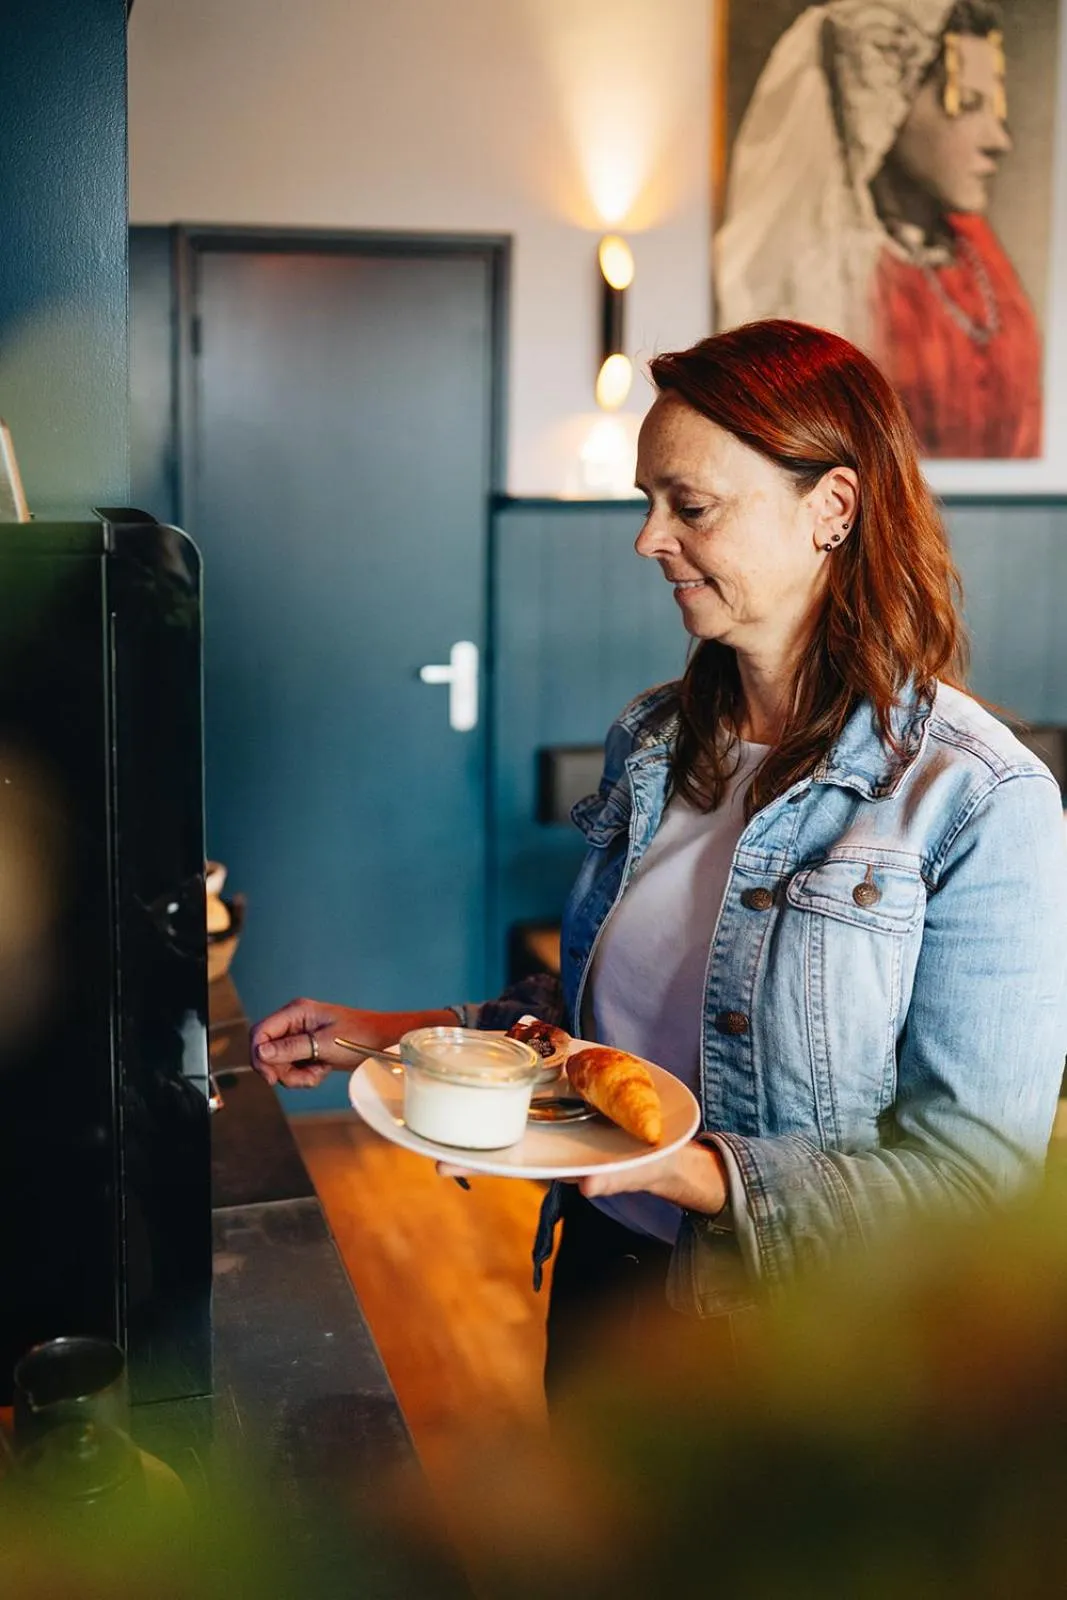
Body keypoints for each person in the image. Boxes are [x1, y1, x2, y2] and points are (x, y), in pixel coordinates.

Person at [251, 318, 1067, 1401]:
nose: (646, 538)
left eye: (688, 505)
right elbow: (600, 1034)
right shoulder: (652, 737)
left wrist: (684, 1173)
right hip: (603, 1276)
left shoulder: (977, 800)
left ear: (830, 508)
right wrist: (399, 1043)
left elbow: (969, 1192)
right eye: (648, 500)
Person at [716, 0, 1043, 458]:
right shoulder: (823, 276)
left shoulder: (980, 256)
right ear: (887, 105)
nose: (998, 141)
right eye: (968, 104)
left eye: (996, 107)